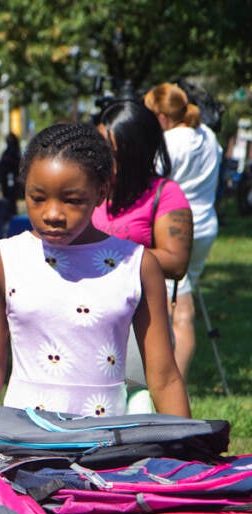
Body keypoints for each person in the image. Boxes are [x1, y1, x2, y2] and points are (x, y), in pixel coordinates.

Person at [0, 123, 190, 514]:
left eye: (71, 199)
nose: (52, 214)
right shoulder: (3, 259)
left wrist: (186, 458)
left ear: (102, 190)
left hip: (107, 457)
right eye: (37, 198)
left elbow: (162, 373)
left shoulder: (137, 264)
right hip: (22, 452)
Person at [92, 100, 193, 406]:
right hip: (87, 319)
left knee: (138, 406)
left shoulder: (165, 193)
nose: (106, 160)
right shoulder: (93, 189)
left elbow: (176, 262)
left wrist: (107, 250)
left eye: (114, 151)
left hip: (138, 325)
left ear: (136, 150)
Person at [144, 83, 223, 380]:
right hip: (205, 225)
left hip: (174, 229)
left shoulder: (168, 142)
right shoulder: (208, 135)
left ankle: (170, 382)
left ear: (161, 116)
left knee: (175, 312)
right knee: (181, 299)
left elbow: (152, 183)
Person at [0, 132, 22, 201]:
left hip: (11, 175)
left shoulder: (14, 150)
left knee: (11, 194)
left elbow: (16, 162)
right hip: (7, 176)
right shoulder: (8, 150)